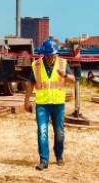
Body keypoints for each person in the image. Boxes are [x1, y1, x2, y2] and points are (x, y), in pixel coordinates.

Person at [24, 38, 75, 171]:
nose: (49, 58)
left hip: (58, 104)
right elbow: (30, 84)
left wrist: (65, 76)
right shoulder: (36, 65)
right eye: (47, 55)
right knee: (42, 131)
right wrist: (27, 100)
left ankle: (59, 156)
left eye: (51, 55)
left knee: (59, 133)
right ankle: (44, 160)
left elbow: (73, 80)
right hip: (42, 104)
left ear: (55, 53)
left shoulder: (63, 64)